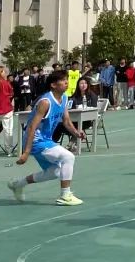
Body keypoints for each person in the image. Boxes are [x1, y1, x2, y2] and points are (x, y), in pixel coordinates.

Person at [8, 69, 85, 205]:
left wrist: (76, 132)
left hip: (46, 139)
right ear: (53, 85)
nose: (66, 82)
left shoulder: (64, 98)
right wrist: (26, 152)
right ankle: (65, 195)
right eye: (62, 80)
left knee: (54, 172)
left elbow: (66, 121)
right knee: (68, 157)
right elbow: (31, 127)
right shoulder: (45, 102)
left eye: (66, 79)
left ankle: (18, 184)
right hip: (36, 140)